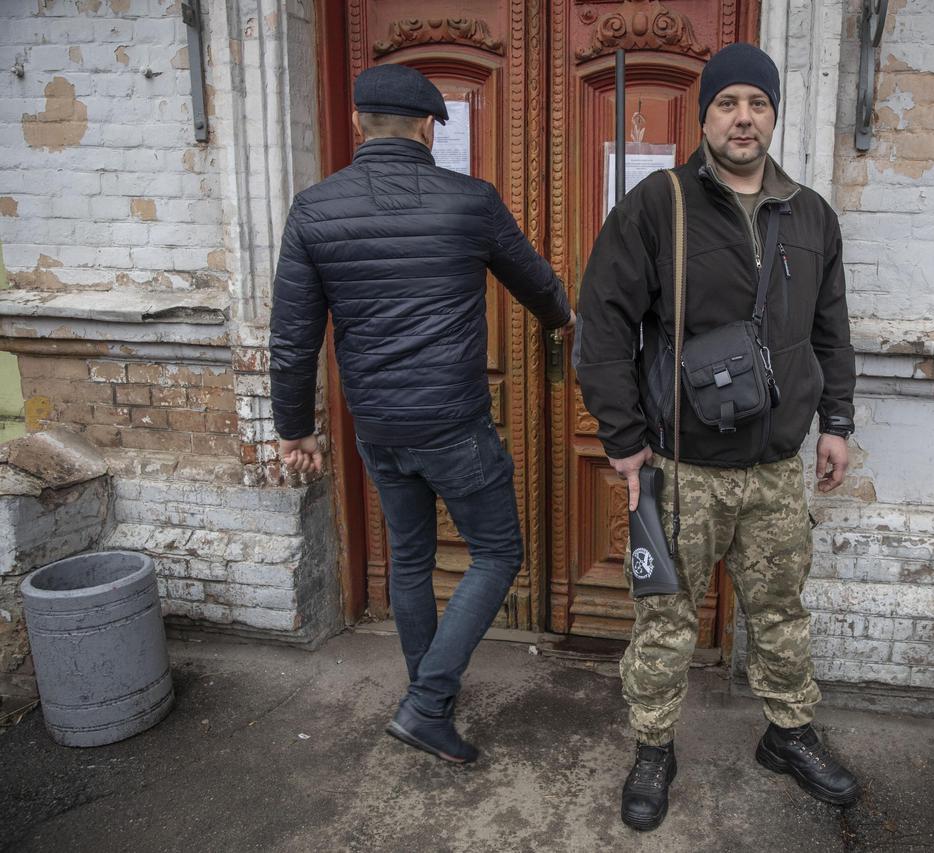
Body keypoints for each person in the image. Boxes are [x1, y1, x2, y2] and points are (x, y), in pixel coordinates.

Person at [574, 43, 859, 830]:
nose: (743, 117)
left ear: (773, 114)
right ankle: (654, 746)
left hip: (774, 467)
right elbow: (601, 326)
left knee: (779, 608)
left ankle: (790, 732)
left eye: (757, 103)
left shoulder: (810, 215)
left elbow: (831, 330)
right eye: (728, 103)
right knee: (666, 615)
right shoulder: (658, 204)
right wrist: (625, 440)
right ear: (704, 115)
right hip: (682, 464)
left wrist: (837, 421)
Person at [269, 63, 572, 764]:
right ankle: (427, 703)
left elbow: (291, 337)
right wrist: (562, 317)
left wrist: (294, 428)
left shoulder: (314, 209)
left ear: (357, 124)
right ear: (430, 128)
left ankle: (424, 695)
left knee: (410, 555)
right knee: (498, 552)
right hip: (453, 421)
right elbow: (538, 283)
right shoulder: (469, 202)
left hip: (377, 424)